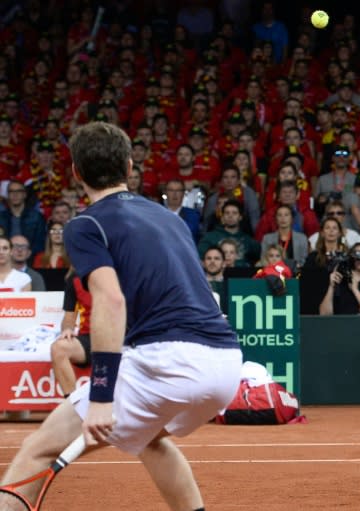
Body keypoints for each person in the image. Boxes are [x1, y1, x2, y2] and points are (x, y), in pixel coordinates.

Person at [1, 122, 242, 511]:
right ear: (130, 167)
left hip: (167, 361)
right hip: (225, 365)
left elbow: (111, 301)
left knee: (38, 450)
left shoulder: (85, 225)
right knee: (149, 439)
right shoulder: (170, 219)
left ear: (76, 173)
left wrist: (100, 397)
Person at [50, 267, 92, 397]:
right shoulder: (74, 278)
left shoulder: (120, 272)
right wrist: (67, 329)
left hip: (120, 337)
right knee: (59, 348)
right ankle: (74, 405)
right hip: (90, 338)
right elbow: (69, 318)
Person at [319, 242, 360, 315]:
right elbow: (324, 315)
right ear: (352, 258)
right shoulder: (339, 284)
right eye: (358, 255)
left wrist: (355, 290)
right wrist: (331, 287)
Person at [0, 180, 47, 256]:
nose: (15, 194)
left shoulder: (37, 217)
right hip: (4, 260)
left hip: (30, 260)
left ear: (25, 194)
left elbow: (40, 244)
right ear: (7, 195)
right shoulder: (1, 217)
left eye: (19, 191)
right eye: (11, 191)